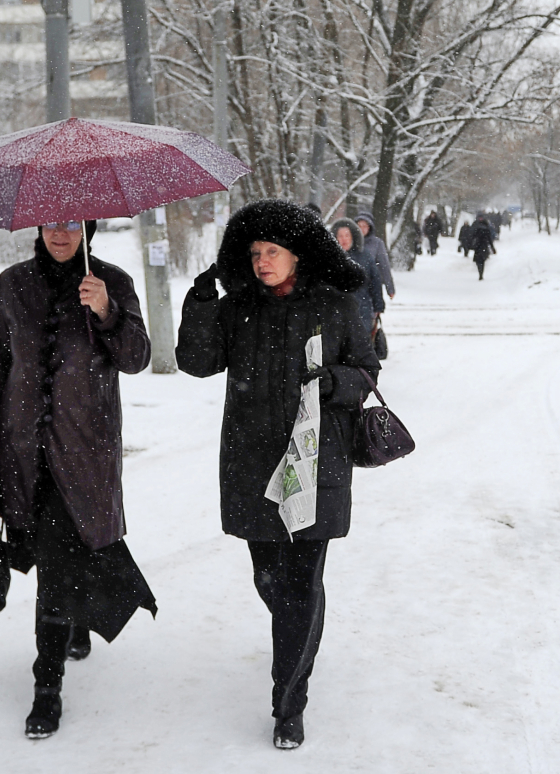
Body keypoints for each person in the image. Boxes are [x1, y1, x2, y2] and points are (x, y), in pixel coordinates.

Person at [176, 199, 380, 750]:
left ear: (297, 254)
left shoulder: (336, 305)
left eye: (273, 251)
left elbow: (367, 370)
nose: (262, 262)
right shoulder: (239, 308)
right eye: (255, 253)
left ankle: (289, 703)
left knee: (299, 584)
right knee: (271, 581)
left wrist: (336, 382)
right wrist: (202, 302)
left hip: (317, 463)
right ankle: (302, 629)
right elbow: (196, 362)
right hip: (252, 464)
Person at [0, 219, 156, 740]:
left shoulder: (111, 281)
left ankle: (46, 687)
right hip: (24, 454)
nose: (60, 235)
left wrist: (107, 312)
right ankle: (74, 622)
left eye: (71, 225)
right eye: (51, 225)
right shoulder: (13, 284)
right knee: (53, 555)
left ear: (87, 228)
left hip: (85, 454)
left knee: (60, 562)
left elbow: (137, 357)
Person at [331, 216, 384, 340]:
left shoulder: (365, 256)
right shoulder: (329, 258)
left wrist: (378, 306)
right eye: (340, 236)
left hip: (361, 309)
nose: (344, 239)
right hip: (335, 312)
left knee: (360, 343)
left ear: (353, 237)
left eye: (347, 235)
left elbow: (375, 282)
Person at [353, 212, 394, 301]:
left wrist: (390, 288)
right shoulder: (348, 242)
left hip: (371, 286)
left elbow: (384, 266)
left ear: (369, 227)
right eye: (359, 226)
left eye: (365, 226)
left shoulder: (377, 244)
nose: (361, 229)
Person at [470, 214, 497, 280]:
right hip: (482, 246)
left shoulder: (478, 226)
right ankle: (481, 273)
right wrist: (492, 247)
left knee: (479, 261)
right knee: (481, 261)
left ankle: (480, 272)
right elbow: (489, 239)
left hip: (479, 246)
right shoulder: (484, 227)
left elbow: (472, 236)